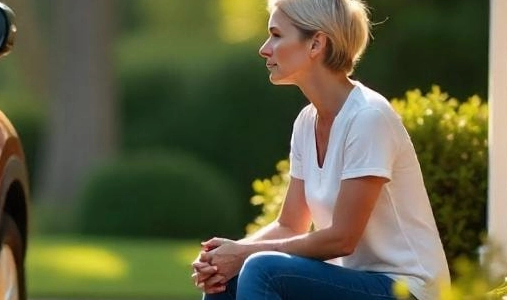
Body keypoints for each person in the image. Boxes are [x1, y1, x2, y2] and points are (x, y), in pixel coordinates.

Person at [190, 0, 450, 299]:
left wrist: (245, 253)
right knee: (225, 282)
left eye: (276, 35)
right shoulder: (306, 122)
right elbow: (289, 225)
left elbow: (342, 239)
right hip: (352, 283)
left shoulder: (368, 117)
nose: (264, 48)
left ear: (316, 44)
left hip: (409, 290)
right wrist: (225, 257)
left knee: (261, 268)